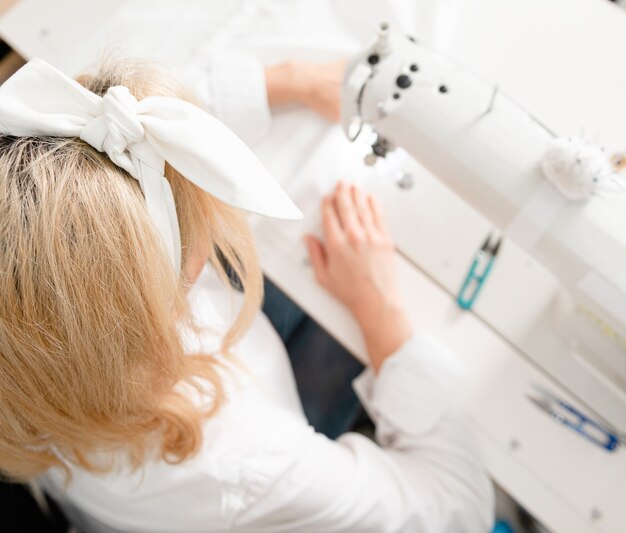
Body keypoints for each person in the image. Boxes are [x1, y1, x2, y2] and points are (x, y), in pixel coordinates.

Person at [0, 51, 493, 533]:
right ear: (169, 301)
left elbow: (121, 127)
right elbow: (457, 509)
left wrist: (288, 79)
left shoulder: (44, 338)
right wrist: (383, 319)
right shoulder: (248, 465)